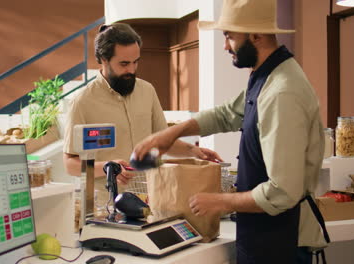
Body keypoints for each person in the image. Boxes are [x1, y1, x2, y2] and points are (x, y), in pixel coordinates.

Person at [132, 0, 330, 263]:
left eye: (229, 36)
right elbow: (228, 114)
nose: (225, 46)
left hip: (282, 242)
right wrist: (173, 133)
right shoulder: (266, 76)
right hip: (262, 237)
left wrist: (220, 201)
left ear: (256, 36)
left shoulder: (282, 92)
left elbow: (282, 192)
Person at [63, 23, 221, 210]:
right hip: (106, 209)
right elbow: (70, 165)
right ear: (104, 59)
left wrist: (194, 151)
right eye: (124, 64)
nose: (131, 69)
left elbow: (163, 140)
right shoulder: (82, 102)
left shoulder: (147, 91)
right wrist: (107, 167)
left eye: (135, 62)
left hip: (151, 200)